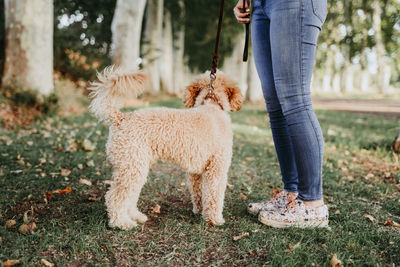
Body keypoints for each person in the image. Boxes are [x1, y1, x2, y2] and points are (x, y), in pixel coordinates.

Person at [233, 0, 329, 228]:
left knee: (295, 99)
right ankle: (292, 194)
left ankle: (313, 204)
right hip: (259, 5)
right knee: (275, 104)